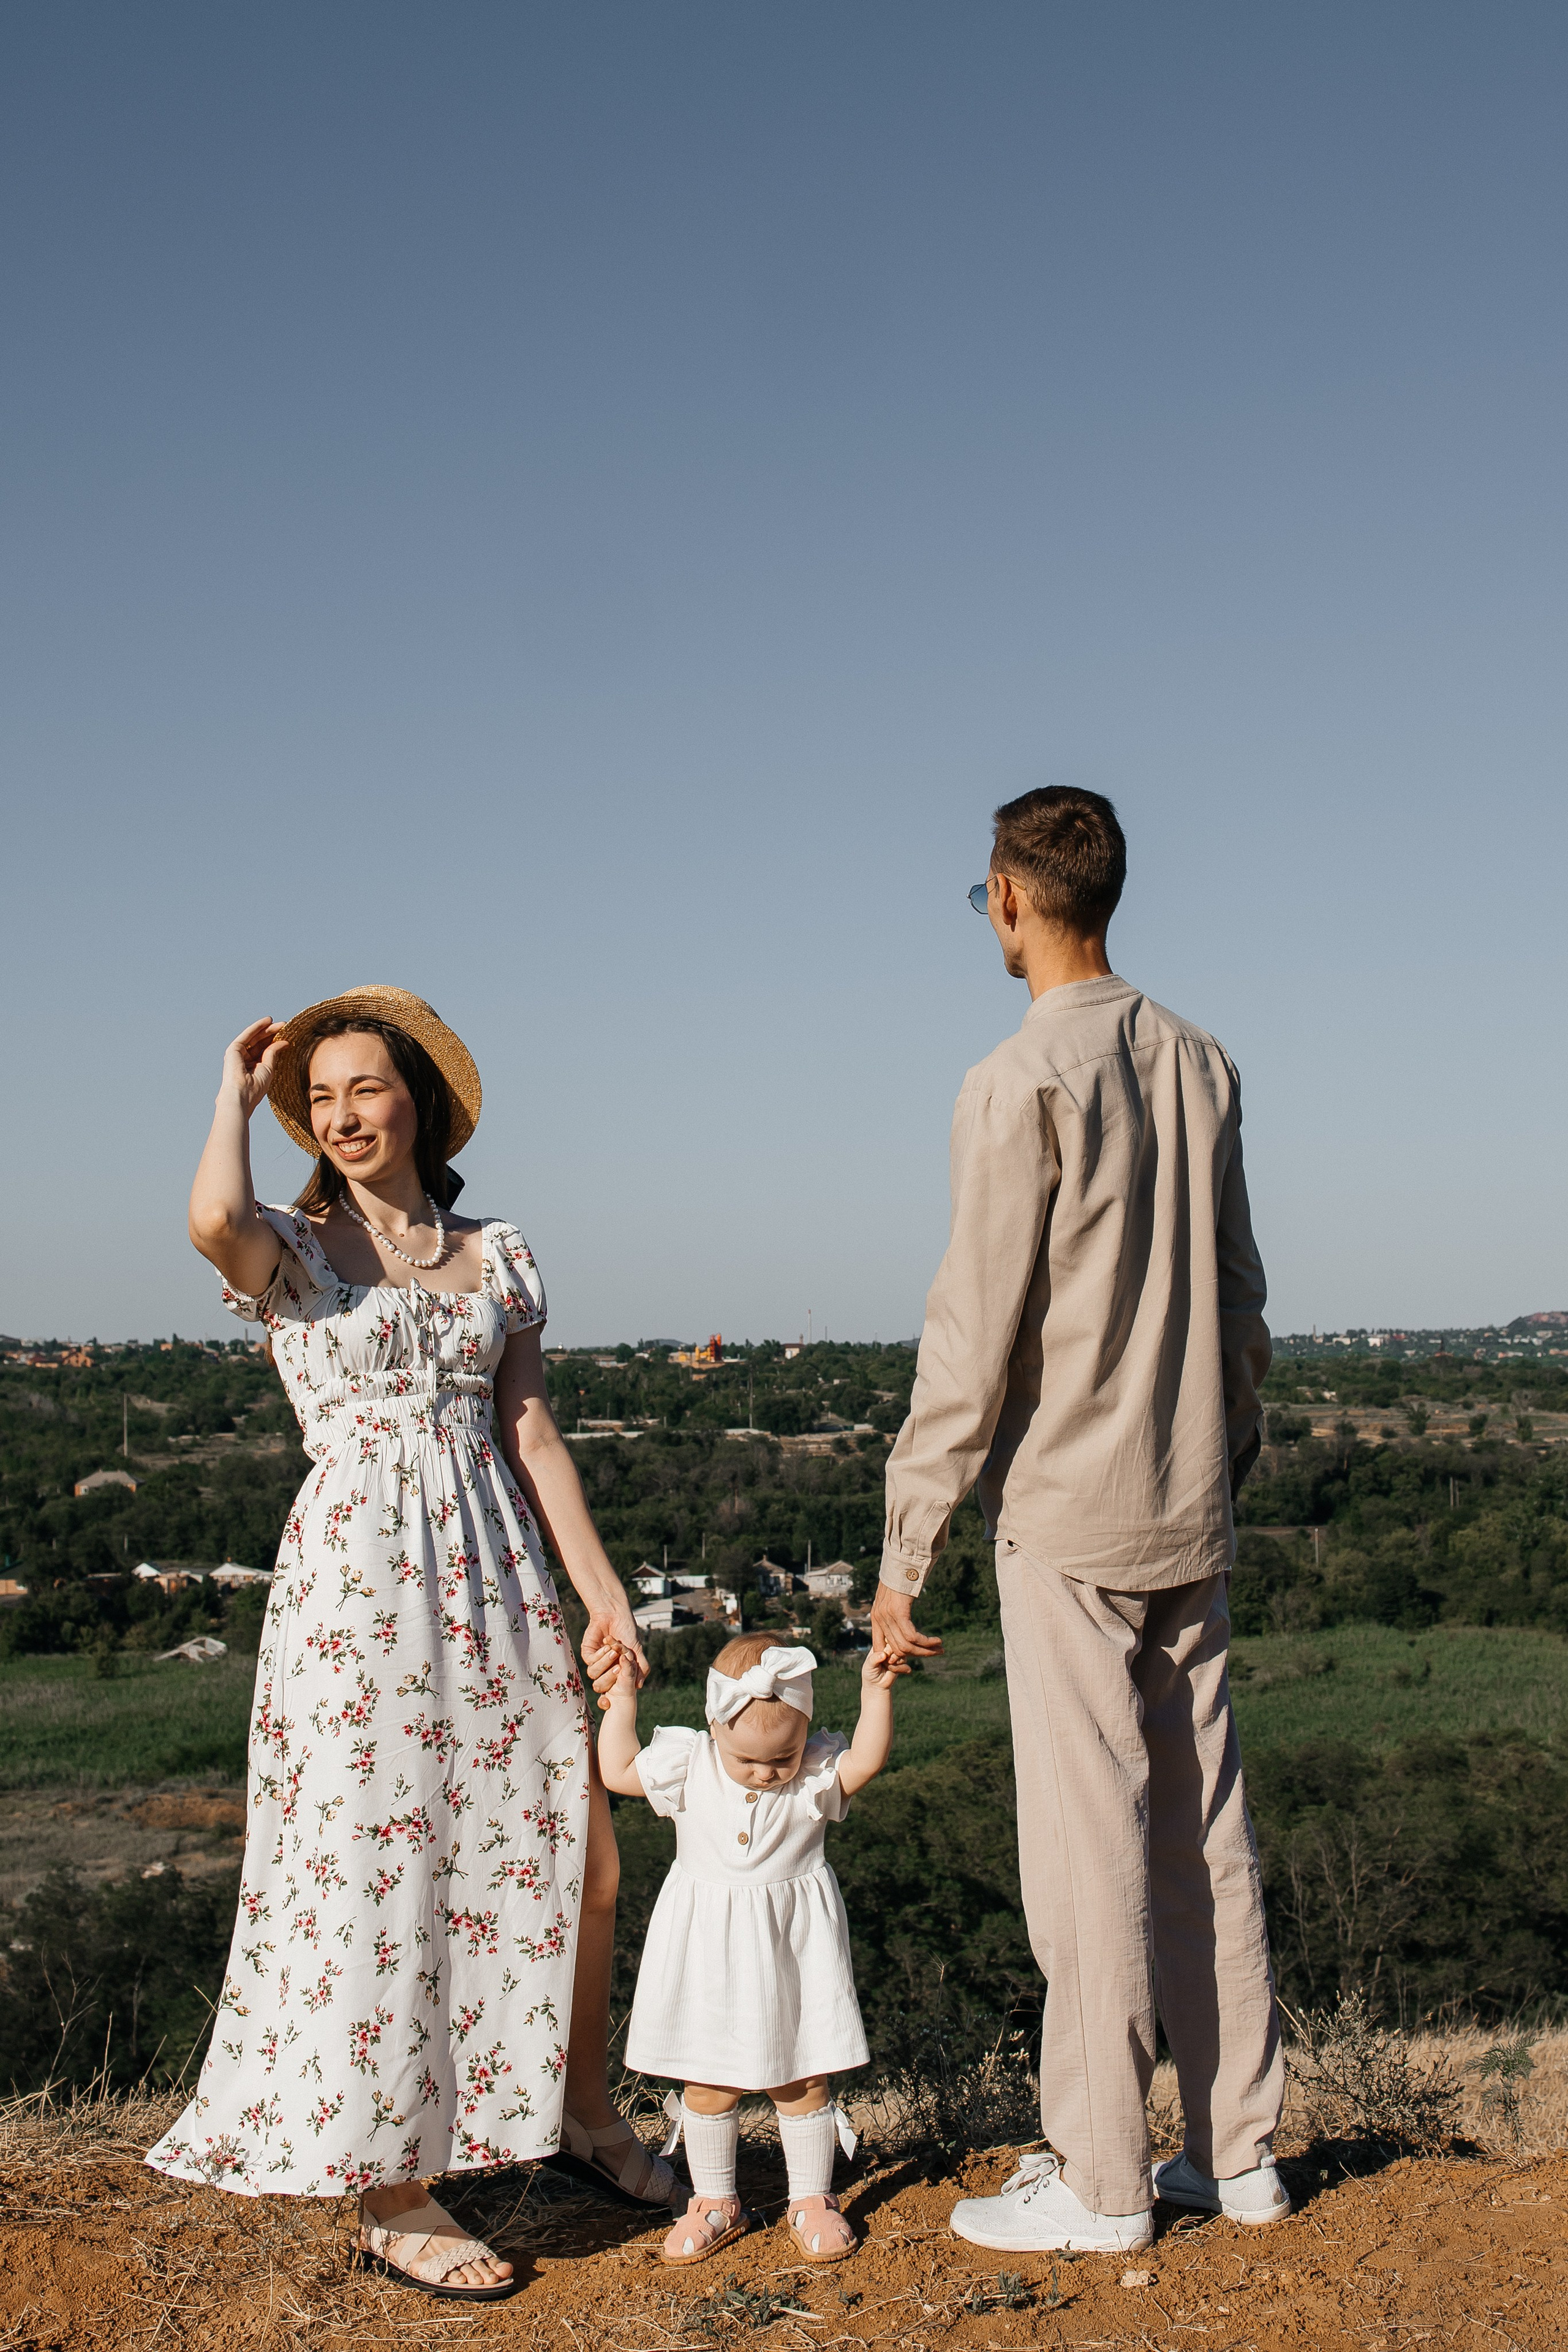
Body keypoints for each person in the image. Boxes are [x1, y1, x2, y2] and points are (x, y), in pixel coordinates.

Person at [148, 986, 676, 2301]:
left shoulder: (497, 1253)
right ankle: (392, 2191)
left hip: (497, 1571)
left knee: (575, 1849)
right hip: (356, 1595)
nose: (338, 1117)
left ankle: (580, 2109)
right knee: (375, 1873)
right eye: (316, 1102)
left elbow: (533, 1435)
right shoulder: (290, 1246)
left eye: (362, 1089)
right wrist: (232, 1093)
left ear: (418, 1103)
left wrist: (603, 1594)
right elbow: (211, 1216)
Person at [870, 790, 1287, 2256]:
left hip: (1066, 1510)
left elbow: (970, 1332)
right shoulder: (1199, 1060)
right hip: (1190, 1497)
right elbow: (1238, 1295)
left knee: (1086, 1847)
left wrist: (904, 1545)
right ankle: (1236, 2156)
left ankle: (1102, 2177)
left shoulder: (1012, 1078)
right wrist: (1226, 1449)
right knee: (1202, 1829)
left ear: (1004, 898)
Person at [596, 1634, 895, 2266]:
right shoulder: (690, 1764)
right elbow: (618, 1770)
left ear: (806, 1732)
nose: (765, 1772)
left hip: (791, 1949)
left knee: (802, 2075)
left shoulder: (815, 1772)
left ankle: (811, 2198)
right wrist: (620, 1700)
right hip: (707, 1950)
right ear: (712, 1727)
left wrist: (876, 1691)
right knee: (706, 2079)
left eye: (781, 1757)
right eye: (748, 1760)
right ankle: (714, 2201)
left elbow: (864, 1762)